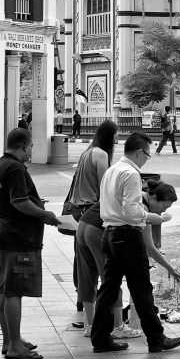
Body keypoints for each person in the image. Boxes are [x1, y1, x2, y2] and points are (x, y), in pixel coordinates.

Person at [90, 131, 180, 353]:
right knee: (141, 289)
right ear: (140, 152)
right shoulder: (131, 174)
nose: (146, 159)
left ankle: (100, 338)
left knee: (108, 288)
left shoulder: (111, 171)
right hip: (127, 235)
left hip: (109, 233)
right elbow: (131, 212)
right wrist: (153, 217)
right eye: (147, 155)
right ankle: (156, 338)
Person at [0, 127, 61, 359]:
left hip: (3, 234)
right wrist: (43, 214)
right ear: (25, 145)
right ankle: (14, 347)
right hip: (16, 237)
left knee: (5, 289)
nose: (31, 152)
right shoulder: (16, 168)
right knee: (14, 292)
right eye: (31, 147)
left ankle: (10, 340)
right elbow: (19, 202)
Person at [78, 179, 180, 340]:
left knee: (87, 277)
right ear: (153, 198)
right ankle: (118, 326)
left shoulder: (136, 195)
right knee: (111, 282)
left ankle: (90, 325)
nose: (162, 212)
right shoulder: (142, 208)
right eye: (164, 207)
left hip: (83, 226)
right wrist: (169, 268)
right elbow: (150, 247)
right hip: (100, 231)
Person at [67, 119, 119, 325]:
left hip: (79, 214)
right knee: (105, 267)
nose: (116, 141)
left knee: (83, 265)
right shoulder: (101, 154)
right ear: (109, 137)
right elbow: (105, 187)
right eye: (115, 137)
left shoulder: (87, 152)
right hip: (93, 213)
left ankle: (86, 312)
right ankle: (114, 321)